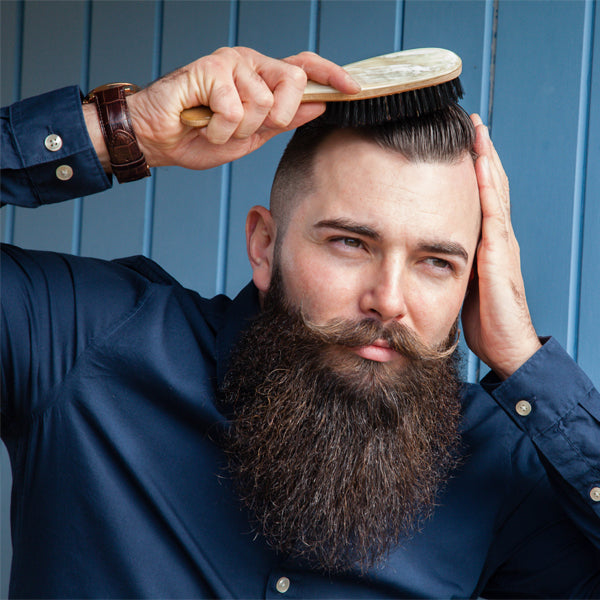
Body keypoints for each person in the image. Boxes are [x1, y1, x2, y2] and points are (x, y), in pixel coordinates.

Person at [1, 46, 599, 598]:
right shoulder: (86, 341)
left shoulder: (496, 467)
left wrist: (524, 357)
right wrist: (120, 130)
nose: (389, 300)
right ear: (264, 245)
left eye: (436, 262)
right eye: (350, 243)